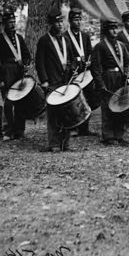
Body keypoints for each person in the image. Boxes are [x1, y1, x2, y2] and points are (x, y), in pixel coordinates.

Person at [90, 19, 129, 146]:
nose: (115, 31)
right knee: (107, 106)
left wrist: (127, 73)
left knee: (121, 105)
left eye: (116, 28)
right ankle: (108, 135)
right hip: (108, 77)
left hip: (120, 78)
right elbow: (95, 67)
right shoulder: (100, 46)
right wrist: (100, 84)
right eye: (111, 28)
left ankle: (119, 134)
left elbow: (128, 62)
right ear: (106, 30)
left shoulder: (121, 45)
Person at [35, 8, 75, 152]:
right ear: (51, 24)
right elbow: (39, 62)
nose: (60, 25)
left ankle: (66, 143)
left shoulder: (66, 39)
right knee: (53, 114)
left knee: (67, 112)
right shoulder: (44, 40)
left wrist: (73, 71)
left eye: (61, 22)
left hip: (66, 81)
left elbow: (71, 58)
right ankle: (54, 144)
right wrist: (44, 80)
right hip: (52, 82)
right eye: (56, 22)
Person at [0, 11, 32, 141]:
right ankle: (7, 131)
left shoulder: (19, 38)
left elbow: (26, 55)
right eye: (10, 22)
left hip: (19, 73)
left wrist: (26, 64)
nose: (13, 24)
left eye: (14, 22)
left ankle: (20, 130)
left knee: (22, 102)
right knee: (8, 102)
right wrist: (0, 79)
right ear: (4, 24)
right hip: (6, 73)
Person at [65, 7, 99, 137]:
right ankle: (73, 127)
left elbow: (90, 53)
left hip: (85, 73)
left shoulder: (85, 36)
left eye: (80, 19)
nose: (78, 22)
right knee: (73, 100)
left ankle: (85, 128)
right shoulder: (65, 36)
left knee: (87, 99)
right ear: (70, 21)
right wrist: (73, 66)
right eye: (75, 20)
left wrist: (90, 61)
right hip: (72, 73)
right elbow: (66, 56)